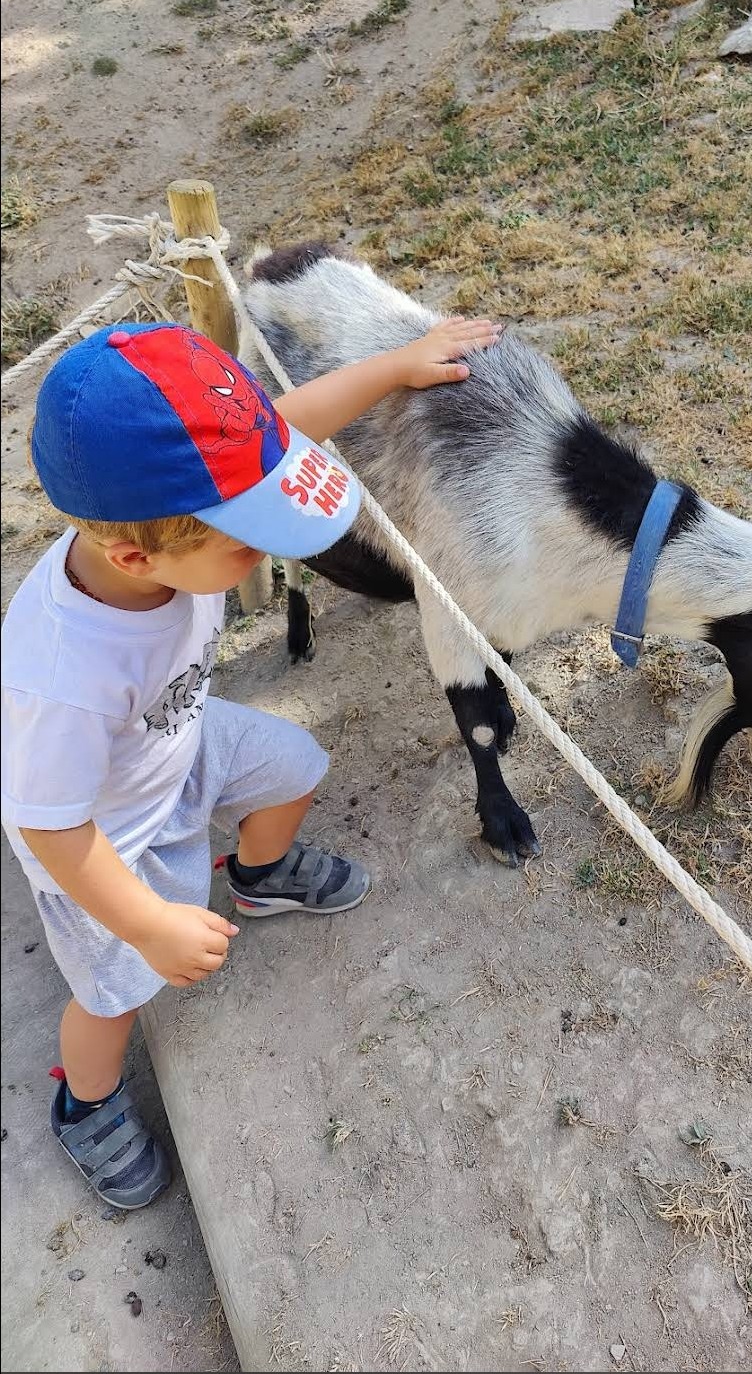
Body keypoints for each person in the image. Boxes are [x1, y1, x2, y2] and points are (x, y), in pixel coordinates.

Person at [0, 313, 500, 1208]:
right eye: (243, 535)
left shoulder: (160, 528)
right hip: (104, 832)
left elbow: (285, 418)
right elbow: (48, 824)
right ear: (132, 553)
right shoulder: (63, 677)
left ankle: (260, 872)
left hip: (178, 734)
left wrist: (392, 365)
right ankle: (87, 1101)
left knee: (296, 762)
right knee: (114, 990)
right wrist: (150, 922)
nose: (267, 546)